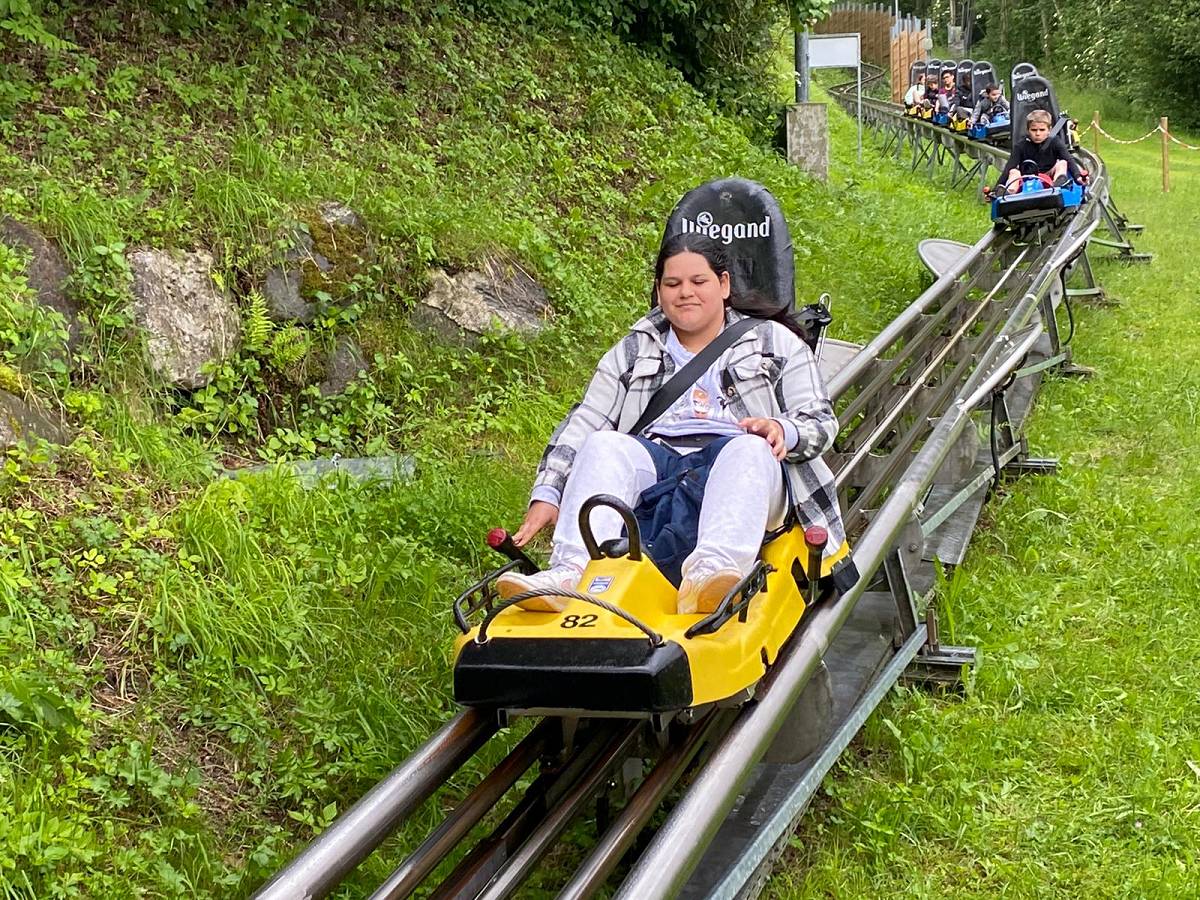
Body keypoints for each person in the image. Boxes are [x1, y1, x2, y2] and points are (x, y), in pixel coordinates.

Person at [497, 233, 849, 615]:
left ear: (724, 285)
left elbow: (820, 420)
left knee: (749, 447)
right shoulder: (635, 349)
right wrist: (548, 492)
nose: (685, 293)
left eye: (698, 281)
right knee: (602, 444)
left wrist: (784, 431)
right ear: (659, 290)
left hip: (740, 465)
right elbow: (585, 420)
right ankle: (570, 572)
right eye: (673, 283)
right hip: (661, 466)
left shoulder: (773, 342)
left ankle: (711, 576)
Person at [1000, 109, 1079, 193]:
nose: (1037, 134)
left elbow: (1069, 159)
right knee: (1013, 171)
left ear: (1049, 130)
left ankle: (1058, 186)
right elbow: (1009, 167)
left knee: (1062, 163)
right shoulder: (1020, 145)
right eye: (1033, 130)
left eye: (1042, 130)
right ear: (1028, 130)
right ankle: (1009, 192)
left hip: (1049, 175)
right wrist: (997, 187)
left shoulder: (1055, 142)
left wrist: (1078, 176)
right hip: (1026, 178)